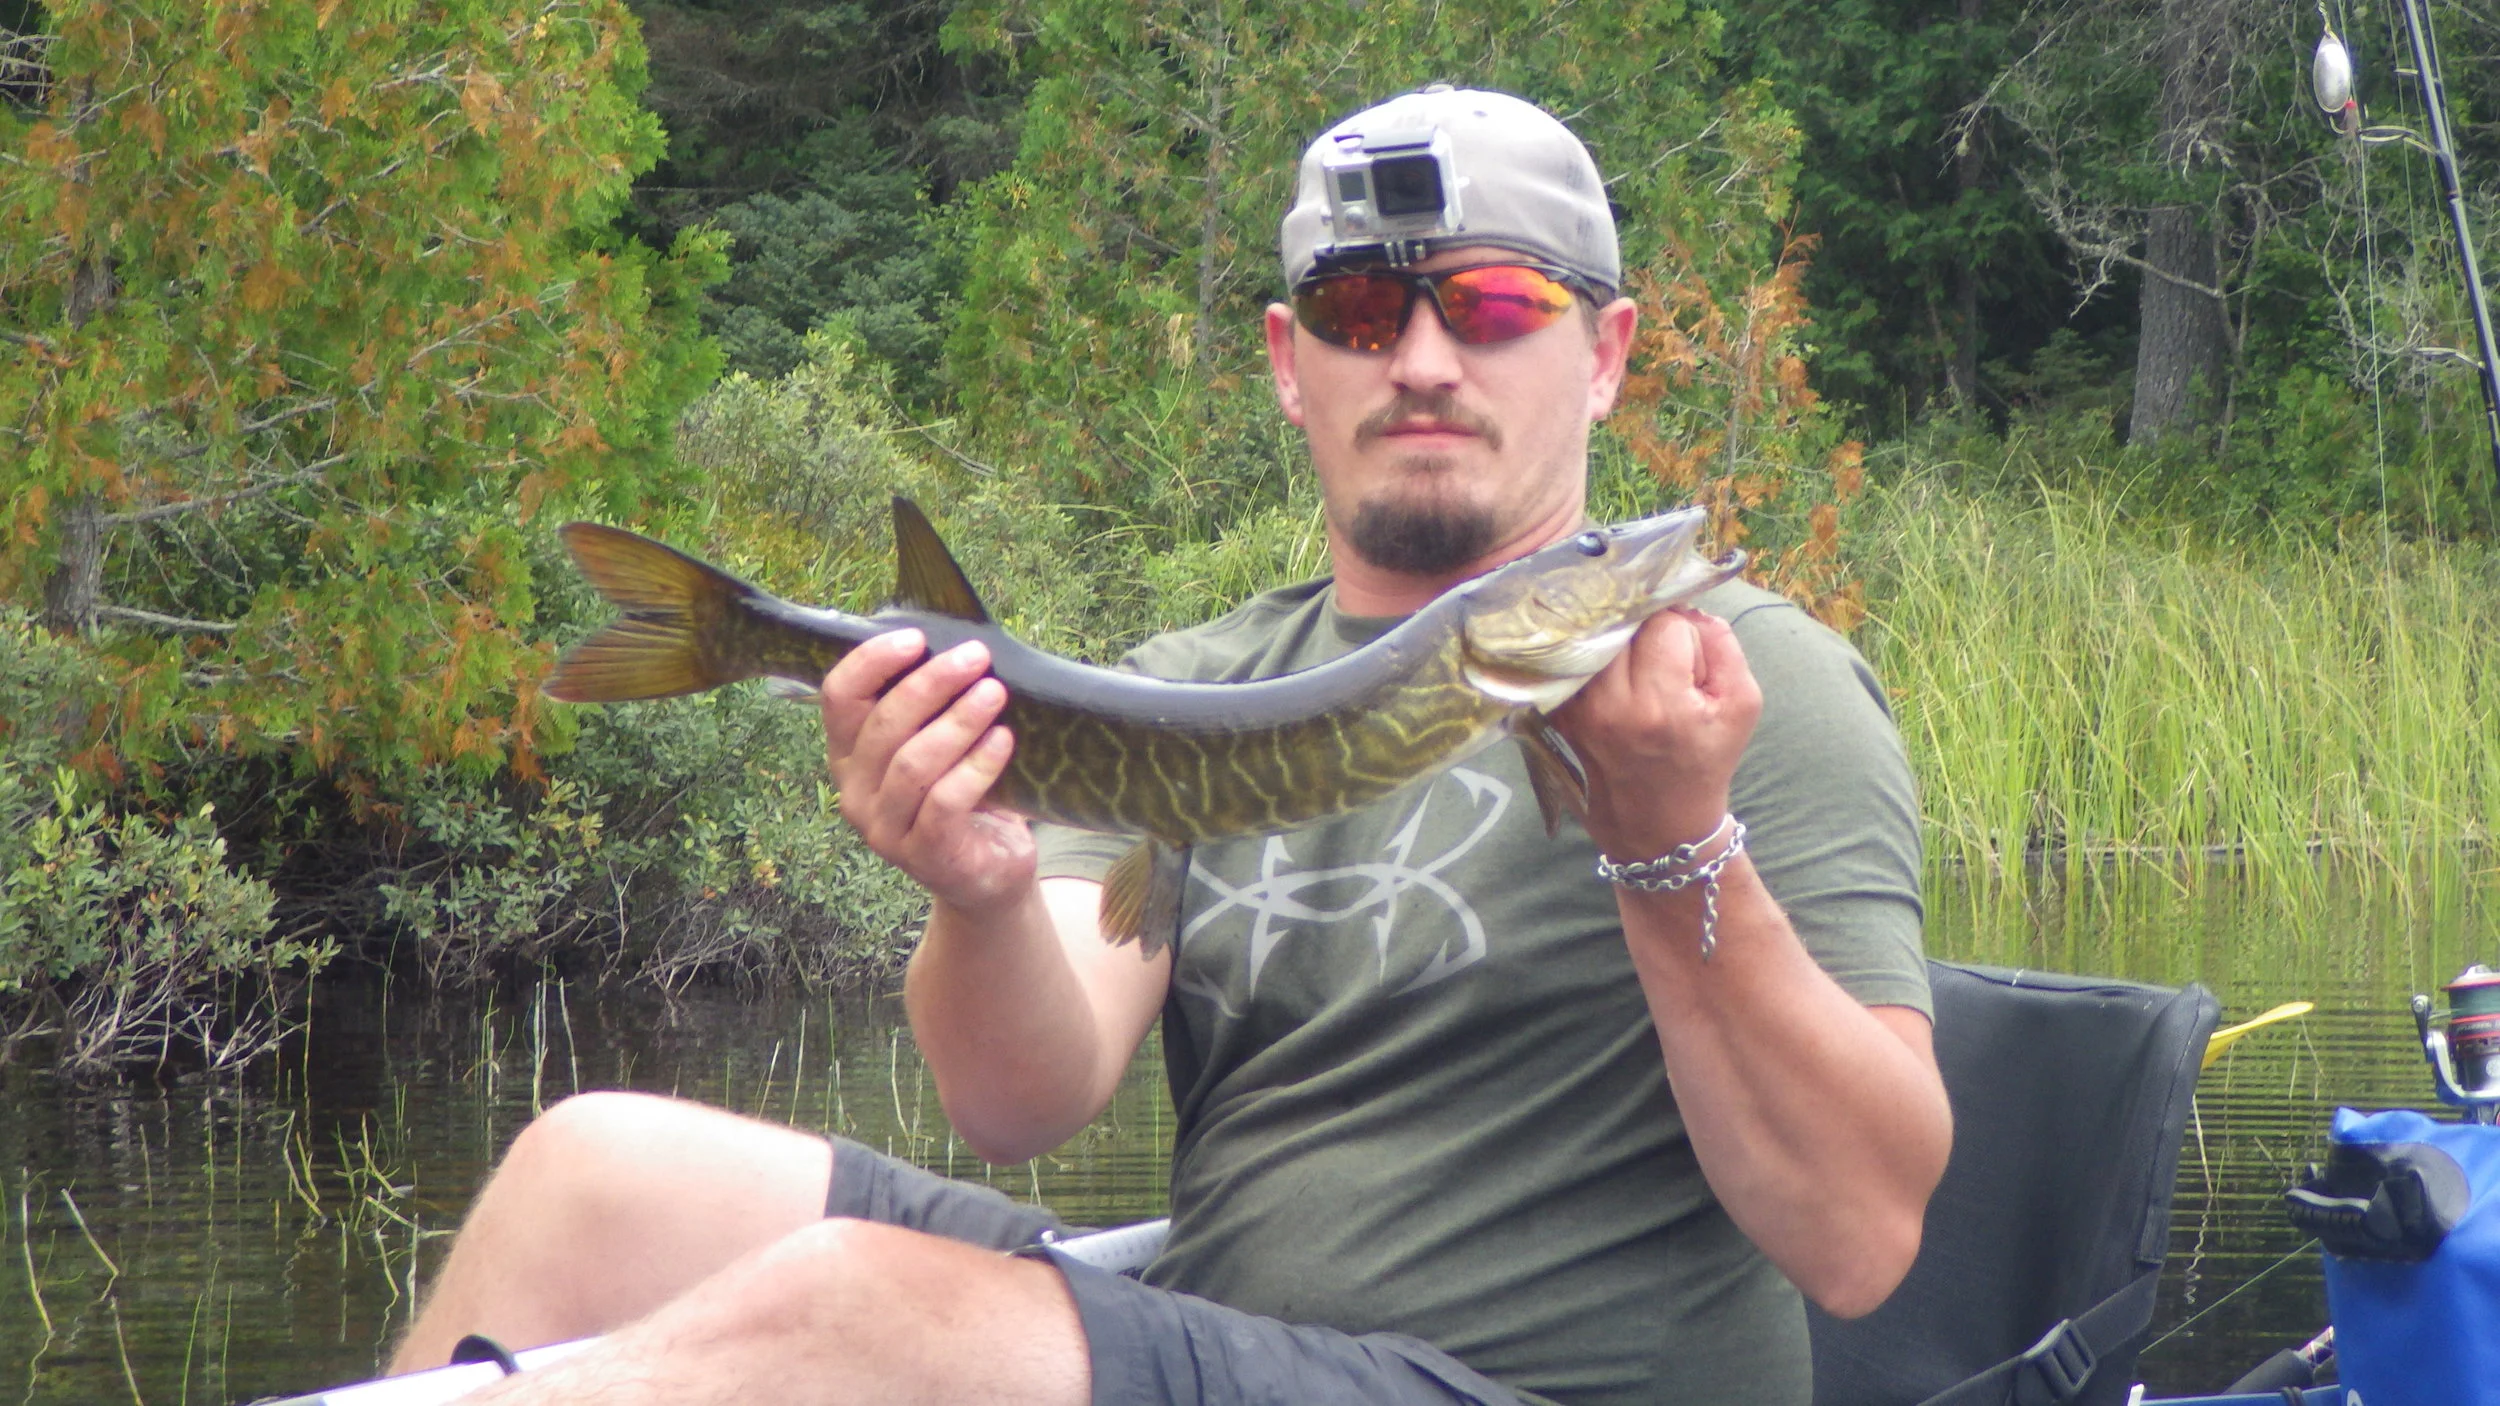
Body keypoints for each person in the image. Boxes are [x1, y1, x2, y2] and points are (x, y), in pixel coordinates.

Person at [396, 86, 1952, 1406]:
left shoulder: (1739, 683)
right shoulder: (1194, 681)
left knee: (849, 1308)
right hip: (1220, 1341)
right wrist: (980, 889)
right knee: (588, 1176)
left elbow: (1865, 1237)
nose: (1422, 361)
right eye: (1361, 312)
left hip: (1516, 1385)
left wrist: (1673, 837)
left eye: (1492, 307)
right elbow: (1025, 1096)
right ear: (1289, 360)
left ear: (1605, 354)